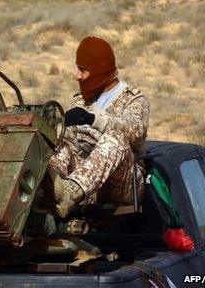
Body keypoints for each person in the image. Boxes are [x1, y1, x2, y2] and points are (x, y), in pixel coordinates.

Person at [43, 36, 150, 218]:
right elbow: (70, 140)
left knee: (115, 138)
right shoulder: (82, 100)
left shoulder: (134, 99)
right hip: (89, 182)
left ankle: (70, 192)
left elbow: (134, 132)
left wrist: (93, 119)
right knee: (61, 145)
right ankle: (47, 190)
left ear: (99, 70)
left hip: (123, 183)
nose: (77, 75)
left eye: (82, 70)